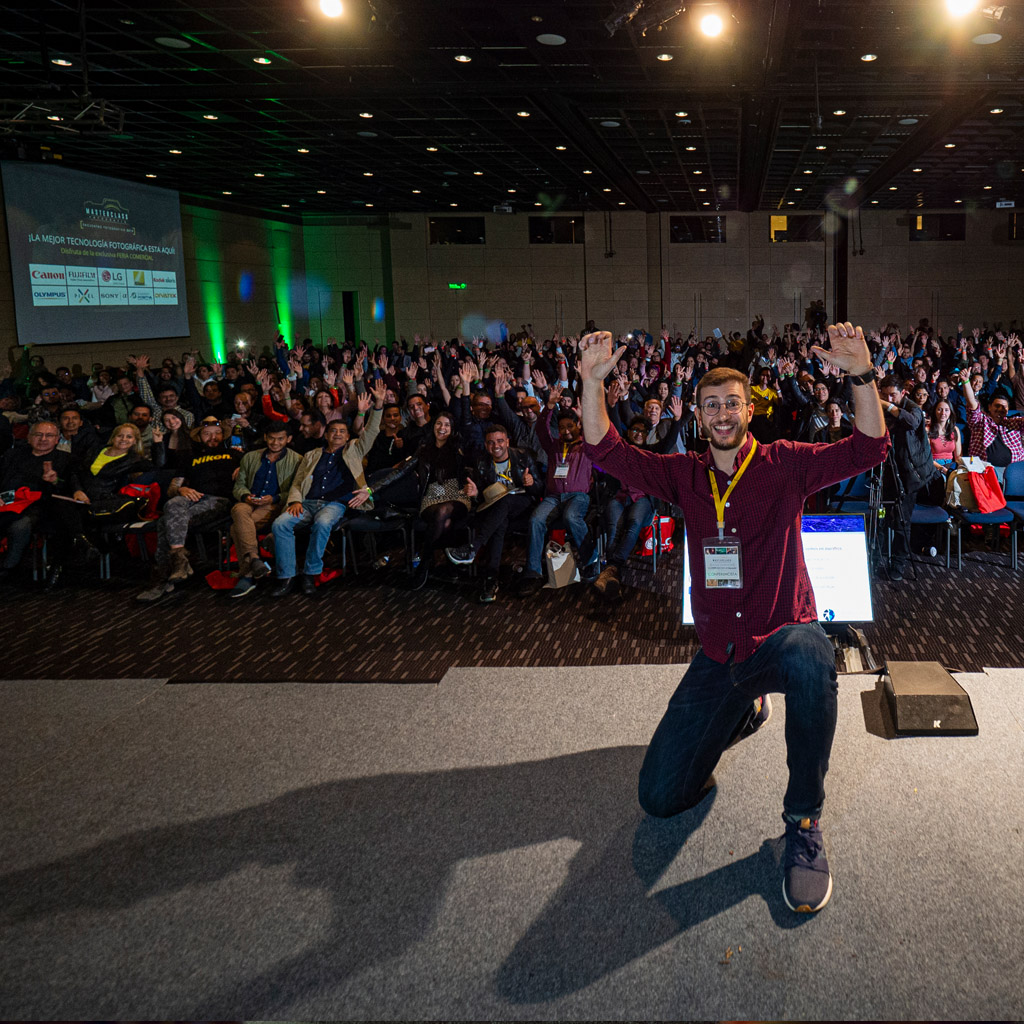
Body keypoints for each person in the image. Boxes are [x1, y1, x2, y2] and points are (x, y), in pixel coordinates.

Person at [577, 323, 888, 914]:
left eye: (732, 403)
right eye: (711, 405)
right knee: (660, 797)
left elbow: (869, 448)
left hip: (780, 638)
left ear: (751, 409)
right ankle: (744, 713)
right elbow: (605, 451)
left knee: (812, 653)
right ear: (698, 415)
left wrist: (861, 375)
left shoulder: (784, 465)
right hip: (720, 656)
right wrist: (592, 384)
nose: (722, 414)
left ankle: (803, 823)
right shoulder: (684, 474)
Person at [269, 383, 383, 597]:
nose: (338, 434)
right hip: (306, 503)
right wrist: (294, 501)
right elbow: (298, 482)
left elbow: (373, 431)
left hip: (334, 504)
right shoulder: (312, 455)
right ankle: (287, 576)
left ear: (348, 436)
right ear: (326, 435)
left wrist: (378, 405)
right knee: (280, 524)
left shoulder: (353, 450)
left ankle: (310, 574)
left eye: (342, 431)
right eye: (334, 431)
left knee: (322, 524)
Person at [136, 419, 242, 602]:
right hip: (192, 499)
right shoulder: (190, 458)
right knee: (172, 504)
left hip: (219, 501)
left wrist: (243, 467)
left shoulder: (234, 455)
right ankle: (178, 561)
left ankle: (162, 580)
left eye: (216, 433)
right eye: (207, 433)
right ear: (200, 436)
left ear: (223, 435)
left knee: (164, 522)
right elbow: (171, 489)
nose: (212, 437)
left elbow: (254, 469)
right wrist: (180, 489)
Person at [444, 423, 544, 603]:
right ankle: (490, 579)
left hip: (522, 504)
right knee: (500, 522)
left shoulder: (523, 456)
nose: (496, 446)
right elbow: (482, 496)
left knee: (504, 501)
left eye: (499, 441)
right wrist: (475, 494)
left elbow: (539, 489)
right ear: (485, 444)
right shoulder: (481, 462)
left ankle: (473, 547)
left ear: (507, 441)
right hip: (497, 511)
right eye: (491, 442)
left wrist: (531, 483)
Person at [229, 424, 302, 597]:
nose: (275, 442)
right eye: (271, 438)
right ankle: (254, 559)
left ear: (288, 439)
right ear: (265, 437)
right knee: (238, 508)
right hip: (251, 501)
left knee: (236, 529)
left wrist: (275, 498)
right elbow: (239, 486)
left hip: (274, 504)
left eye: (280, 439)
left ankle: (247, 574)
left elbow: (297, 489)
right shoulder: (250, 457)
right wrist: (246, 496)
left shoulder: (297, 459)